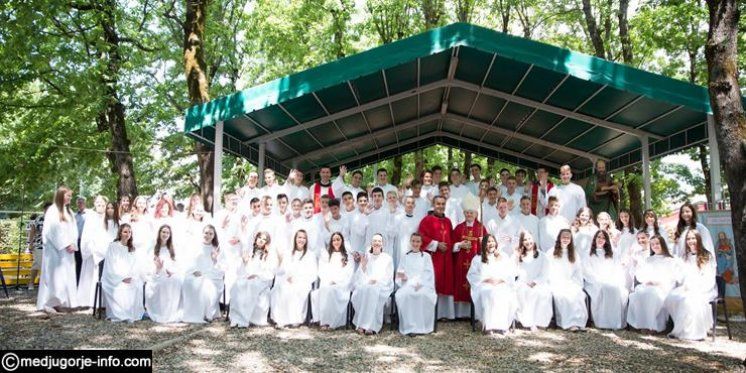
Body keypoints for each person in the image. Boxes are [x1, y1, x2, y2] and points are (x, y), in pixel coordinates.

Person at [665, 230, 717, 340]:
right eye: (688, 239)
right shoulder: (685, 256)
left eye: (693, 238)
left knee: (689, 300)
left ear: (698, 239)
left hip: (704, 288)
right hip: (687, 286)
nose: (691, 241)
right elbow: (681, 277)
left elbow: (709, 277)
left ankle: (694, 333)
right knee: (671, 297)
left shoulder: (707, 255)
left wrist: (697, 287)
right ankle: (681, 328)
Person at [37, 186, 79, 313]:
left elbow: (74, 230)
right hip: (55, 251)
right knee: (55, 276)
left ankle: (64, 300)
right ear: (61, 196)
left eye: (70, 196)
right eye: (68, 196)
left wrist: (73, 244)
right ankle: (52, 302)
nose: (70, 198)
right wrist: (66, 244)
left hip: (67, 251)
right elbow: (52, 231)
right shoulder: (52, 211)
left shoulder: (69, 211)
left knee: (66, 276)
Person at [627, 235, 680, 333]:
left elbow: (672, 277)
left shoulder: (671, 260)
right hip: (648, 285)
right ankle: (643, 324)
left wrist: (657, 282)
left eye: (657, 244)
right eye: (652, 244)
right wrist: (647, 280)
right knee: (640, 293)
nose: (655, 246)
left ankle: (653, 326)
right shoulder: (649, 260)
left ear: (662, 244)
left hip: (663, 286)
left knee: (653, 295)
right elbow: (641, 275)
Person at [467, 234, 518, 336]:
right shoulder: (477, 258)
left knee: (503, 293)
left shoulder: (503, 256)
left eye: (492, 241)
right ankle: (488, 326)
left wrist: (501, 280)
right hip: (484, 285)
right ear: (484, 244)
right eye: (488, 242)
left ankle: (503, 326)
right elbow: (472, 274)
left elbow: (510, 272)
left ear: (496, 243)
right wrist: (486, 279)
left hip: (501, 283)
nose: (491, 244)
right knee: (489, 292)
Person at [270, 230, 318, 328]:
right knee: (281, 289)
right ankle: (281, 320)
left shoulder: (310, 254)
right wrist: (287, 276)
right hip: (287, 280)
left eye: (304, 238)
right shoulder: (288, 253)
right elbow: (283, 269)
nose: (301, 240)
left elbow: (313, 273)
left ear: (306, 240)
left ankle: (294, 319)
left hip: (303, 281)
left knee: (295, 290)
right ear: (295, 239)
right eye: (299, 237)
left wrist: (298, 279)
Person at [230, 231, 277, 328]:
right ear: (256, 239)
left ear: (266, 242)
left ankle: (243, 319)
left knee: (250, 286)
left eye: (264, 239)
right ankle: (236, 318)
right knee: (237, 285)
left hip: (262, 280)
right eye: (260, 238)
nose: (261, 240)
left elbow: (270, 272)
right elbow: (244, 270)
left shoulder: (269, 255)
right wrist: (244, 262)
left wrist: (257, 275)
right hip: (249, 277)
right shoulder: (250, 252)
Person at [583, 230, 629, 330]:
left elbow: (617, 269)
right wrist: (599, 280)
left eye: (603, 238)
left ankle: (615, 323)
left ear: (606, 241)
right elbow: (587, 271)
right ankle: (603, 323)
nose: (601, 239)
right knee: (605, 288)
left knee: (617, 289)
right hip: (594, 282)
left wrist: (614, 279)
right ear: (594, 238)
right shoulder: (587, 253)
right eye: (599, 237)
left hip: (610, 280)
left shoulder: (612, 253)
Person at [418, 195, 455, 319]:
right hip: (434, 257)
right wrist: (436, 244)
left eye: (443, 204)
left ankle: (445, 314)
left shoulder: (448, 221)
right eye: (438, 204)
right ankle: (433, 314)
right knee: (435, 282)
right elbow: (421, 237)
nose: (440, 206)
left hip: (447, 258)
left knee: (446, 283)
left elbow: (452, 238)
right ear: (433, 205)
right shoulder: (426, 220)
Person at [452, 193, 487, 319]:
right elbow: (452, 245)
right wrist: (459, 245)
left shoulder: (481, 228)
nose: (469, 215)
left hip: (475, 262)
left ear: (476, 214)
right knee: (461, 283)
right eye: (467, 212)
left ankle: (474, 314)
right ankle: (461, 314)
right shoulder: (458, 228)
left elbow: (486, 246)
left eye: (471, 212)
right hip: (460, 262)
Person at [78, 197, 118, 307]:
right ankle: (89, 301)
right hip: (93, 249)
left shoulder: (109, 220)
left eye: (102, 203)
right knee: (91, 277)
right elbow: (86, 234)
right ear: (95, 204)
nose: (100, 204)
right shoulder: (91, 216)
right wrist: (90, 248)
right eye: (98, 202)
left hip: (105, 250)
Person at [351, 233, 394, 335]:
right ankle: (362, 324)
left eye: (379, 241)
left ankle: (372, 326)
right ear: (371, 243)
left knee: (373, 290)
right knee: (365, 290)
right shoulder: (367, 256)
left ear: (382, 244)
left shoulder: (387, 258)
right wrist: (363, 266)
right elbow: (360, 275)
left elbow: (388, 276)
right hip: (366, 284)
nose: (377, 243)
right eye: (375, 241)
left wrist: (377, 281)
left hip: (382, 285)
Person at [101, 224, 145, 322]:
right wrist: (122, 277)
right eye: (125, 231)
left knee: (137, 285)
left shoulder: (132, 248)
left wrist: (131, 276)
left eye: (129, 232)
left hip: (130, 277)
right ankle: (120, 314)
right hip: (114, 278)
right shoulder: (113, 246)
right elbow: (110, 265)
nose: (127, 234)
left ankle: (132, 314)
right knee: (121, 287)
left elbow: (135, 265)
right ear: (120, 233)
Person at [546, 229, 588, 331]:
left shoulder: (574, 253)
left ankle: (579, 322)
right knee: (565, 296)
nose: (565, 239)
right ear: (559, 238)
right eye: (563, 237)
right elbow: (547, 270)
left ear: (571, 239)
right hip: (556, 283)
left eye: (568, 237)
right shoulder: (551, 252)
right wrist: (555, 282)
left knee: (578, 294)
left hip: (570, 282)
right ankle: (568, 323)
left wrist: (576, 284)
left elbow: (578, 271)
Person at [395, 233, 437, 335]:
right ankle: (409, 327)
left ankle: (422, 327)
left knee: (422, 295)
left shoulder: (426, 256)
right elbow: (400, 273)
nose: (415, 243)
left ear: (421, 243)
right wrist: (403, 278)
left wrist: (421, 283)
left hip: (423, 285)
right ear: (410, 242)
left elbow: (429, 273)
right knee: (406, 295)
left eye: (418, 241)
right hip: (407, 285)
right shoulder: (405, 256)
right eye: (413, 241)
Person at [181, 225, 224, 324]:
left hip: (212, 274)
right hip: (196, 272)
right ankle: (194, 312)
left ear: (214, 235)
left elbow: (221, 266)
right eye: (206, 233)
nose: (208, 235)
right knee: (191, 281)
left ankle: (207, 313)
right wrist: (194, 270)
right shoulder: (195, 246)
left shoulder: (216, 248)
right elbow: (188, 261)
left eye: (210, 233)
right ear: (202, 233)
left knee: (206, 285)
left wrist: (215, 259)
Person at [312, 232, 354, 330]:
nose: (336, 242)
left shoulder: (347, 256)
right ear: (331, 242)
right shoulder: (326, 255)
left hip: (342, 284)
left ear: (342, 241)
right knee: (323, 290)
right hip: (327, 281)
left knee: (331, 291)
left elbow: (349, 272)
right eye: (334, 240)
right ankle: (324, 321)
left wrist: (337, 281)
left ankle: (332, 323)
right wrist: (329, 280)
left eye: (338, 239)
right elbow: (322, 271)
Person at [513, 231, 552, 331]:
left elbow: (545, 272)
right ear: (522, 242)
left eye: (529, 239)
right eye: (525, 240)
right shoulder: (519, 255)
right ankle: (528, 322)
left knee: (541, 293)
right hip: (523, 282)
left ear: (533, 239)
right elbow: (515, 272)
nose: (528, 241)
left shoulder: (542, 255)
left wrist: (535, 282)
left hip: (539, 282)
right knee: (524, 292)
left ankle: (539, 321)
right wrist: (516, 258)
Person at [145, 225, 183, 323]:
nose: (165, 234)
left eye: (167, 233)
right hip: (156, 273)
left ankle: (170, 311)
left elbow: (178, 264)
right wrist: (158, 269)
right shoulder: (153, 248)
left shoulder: (173, 248)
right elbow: (148, 265)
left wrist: (172, 271)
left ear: (170, 235)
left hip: (171, 274)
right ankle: (160, 311)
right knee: (161, 282)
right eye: (163, 232)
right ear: (159, 233)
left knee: (175, 280)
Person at [27, 202, 52, 291]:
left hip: (51, 246)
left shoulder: (55, 219)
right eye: (47, 209)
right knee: (40, 263)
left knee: (36, 265)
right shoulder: (39, 219)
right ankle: (42, 284)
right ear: (44, 209)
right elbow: (32, 232)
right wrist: (30, 244)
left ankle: (31, 282)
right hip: (38, 245)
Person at [394, 196, 424, 267]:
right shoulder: (398, 218)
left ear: (414, 205)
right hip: (400, 247)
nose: (410, 205)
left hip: (413, 247)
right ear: (404, 204)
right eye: (408, 203)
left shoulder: (418, 219)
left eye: (412, 203)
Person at [348, 192, 370, 259]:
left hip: (368, 249)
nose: (363, 203)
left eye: (365, 201)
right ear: (357, 202)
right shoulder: (351, 215)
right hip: (355, 249)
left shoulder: (372, 214)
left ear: (368, 202)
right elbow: (358, 232)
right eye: (360, 201)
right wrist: (352, 251)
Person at [74, 196, 87, 284]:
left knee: (85, 262)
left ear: (85, 203)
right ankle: (78, 282)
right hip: (77, 241)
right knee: (78, 263)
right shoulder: (74, 216)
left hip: (85, 242)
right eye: (79, 202)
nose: (80, 204)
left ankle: (85, 282)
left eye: (82, 202)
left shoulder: (89, 215)